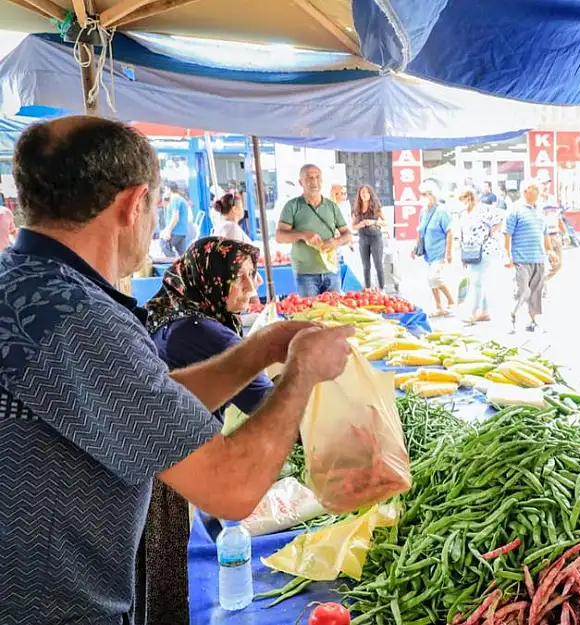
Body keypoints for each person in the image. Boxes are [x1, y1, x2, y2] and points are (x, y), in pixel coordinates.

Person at [0, 116, 355, 624]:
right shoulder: (76, 316)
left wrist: (257, 352)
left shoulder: (26, 285)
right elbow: (232, 489)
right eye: (157, 207)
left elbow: (145, 399)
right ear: (132, 203)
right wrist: (301, 373)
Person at [137, 236, 268, 624]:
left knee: (146, 572)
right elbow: (266, 402)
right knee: (164, 571)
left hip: (148, 458)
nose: (253, 286)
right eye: (241, 278)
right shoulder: (200, 331)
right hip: (166, 470)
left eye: (254, 275)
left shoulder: (169, 312)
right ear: (211, 280)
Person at [275, 164, 352, 297]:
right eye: (309, 178)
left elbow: (348, 235)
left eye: (317, 177)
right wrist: (303, 235)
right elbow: (279, 236)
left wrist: (335, 242)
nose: (314, 181)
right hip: (306, 274)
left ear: (322, 180)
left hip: (332, 271)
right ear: (301, 182)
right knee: (309, 315)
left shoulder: (331, 206)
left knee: (334, 314)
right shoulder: (292, 206)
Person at [505, 179, 550, 333]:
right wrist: (507, 256)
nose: (538, 192)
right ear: (526, 191)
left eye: (538, 189)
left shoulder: (539, 211)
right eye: (535, 189)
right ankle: (511, 318)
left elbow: (545, 233)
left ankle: (533, 321)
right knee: (523, 291)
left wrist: (549, 251)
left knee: (536, 292)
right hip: (521, 259)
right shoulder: (515, 210)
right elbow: (507, 235)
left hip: (538, 258)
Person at [457, 188, 502, 324]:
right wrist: (462, 255)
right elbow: (463, 234)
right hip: (470, 252)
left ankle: (473, 312)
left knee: (477, 282)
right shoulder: (464, 214)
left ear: (469, 198)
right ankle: (485, 311)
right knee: (478, 281)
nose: (462, 203)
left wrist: (493, 231)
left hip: (485, 250)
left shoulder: (484, 209)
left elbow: (501, 218)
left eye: (463, 200)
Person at [412, 181, 455, 316]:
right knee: (431, 280)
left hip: (439, 251)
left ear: (433, 195)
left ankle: (451, 300)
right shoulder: (424, 212)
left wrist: (448, 252)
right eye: (421, 194)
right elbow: (420, 231)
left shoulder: (442, 211)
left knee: (434, 278)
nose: (422, 197)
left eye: (425, 194)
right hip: (429, 252)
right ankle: (439, 306)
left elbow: (449, 231)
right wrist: (414, 248)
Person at [352, 185, 386, 290]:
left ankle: (381, 289)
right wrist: (360, 224)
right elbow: (353, 227)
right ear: (359, 195)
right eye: (362, 192)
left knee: (378, 264)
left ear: (370, 194)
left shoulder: (376, 207)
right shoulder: (356, 209)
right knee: (366, 266)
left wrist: (373, 222)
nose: (364, 194)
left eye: (367, 192)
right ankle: (367, 288)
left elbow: (384, 222)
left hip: (376, 237)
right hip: (363, 238)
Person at [160, 181, 191, 257]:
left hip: (176, 231)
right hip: (181, 231)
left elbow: (175, 217)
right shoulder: (178, 198)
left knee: (164, 244)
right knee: (183, 255)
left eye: (165, 189)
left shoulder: (175, 199)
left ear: (169, 189)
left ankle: (173, 264)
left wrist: (168, 231)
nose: (165, 191)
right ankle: (183, 266)